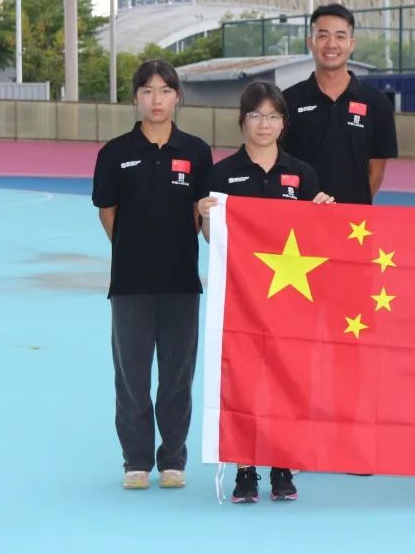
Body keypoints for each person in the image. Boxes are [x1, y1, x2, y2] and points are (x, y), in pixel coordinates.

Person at [198, 81, 334, 503]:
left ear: (284, 123)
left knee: (286, 377)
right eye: (256, 115)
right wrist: (204, 217)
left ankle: (281, 462)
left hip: (291, 298)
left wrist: (325, 215)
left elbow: (317, 241)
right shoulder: (222, 174)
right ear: (242, 121)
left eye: (273, 116)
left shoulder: (302, 174)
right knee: (243, 379)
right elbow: (213, 240)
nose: (264, 124)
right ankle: (245, 468)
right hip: (240, 297)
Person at [92, 59, 213, 490]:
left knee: (177, 377)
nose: (156, 99)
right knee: (132, 377)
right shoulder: (114, 153)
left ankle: (173, 459)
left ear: (177, 97)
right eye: (147, 91)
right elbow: (108, 213)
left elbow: (202, 215)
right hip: (130, 285)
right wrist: (133, 249)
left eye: (164, 91)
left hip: (181, 283)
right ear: (135, 98)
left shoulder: (197, 152)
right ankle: (136, 460)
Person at [282, 3, 398, 205]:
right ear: (310, 42)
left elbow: (376, 172)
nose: (331, 44)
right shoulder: (287, 101)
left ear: (351, 44)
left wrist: (351, 212)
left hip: (353, 221)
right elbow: (280, 165)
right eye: (323, 35)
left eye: (340, 36)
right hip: (300, 218)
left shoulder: (376, 103)